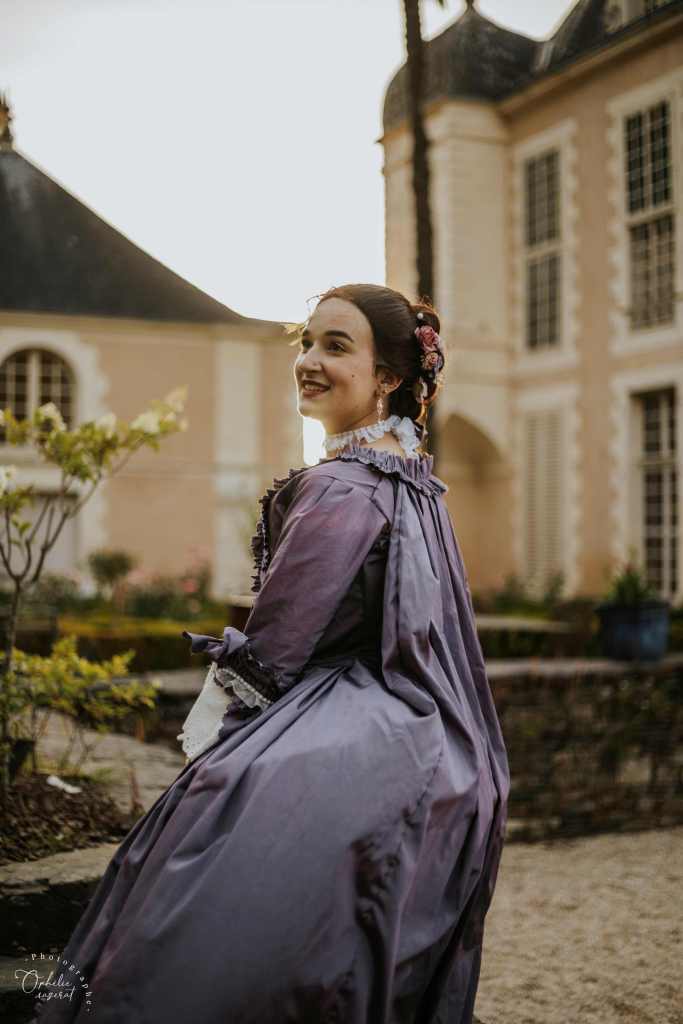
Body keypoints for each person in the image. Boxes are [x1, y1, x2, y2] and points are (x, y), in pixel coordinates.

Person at [31, 283, 510, 1024]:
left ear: (387, 377)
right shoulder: (414, 476)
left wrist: (209, 736)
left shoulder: (340, 487)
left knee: (205, 855)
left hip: (346, 717)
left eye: (335, 346)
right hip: (438, 735)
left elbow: (275, 646)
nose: (309, 361)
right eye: (306, 342)